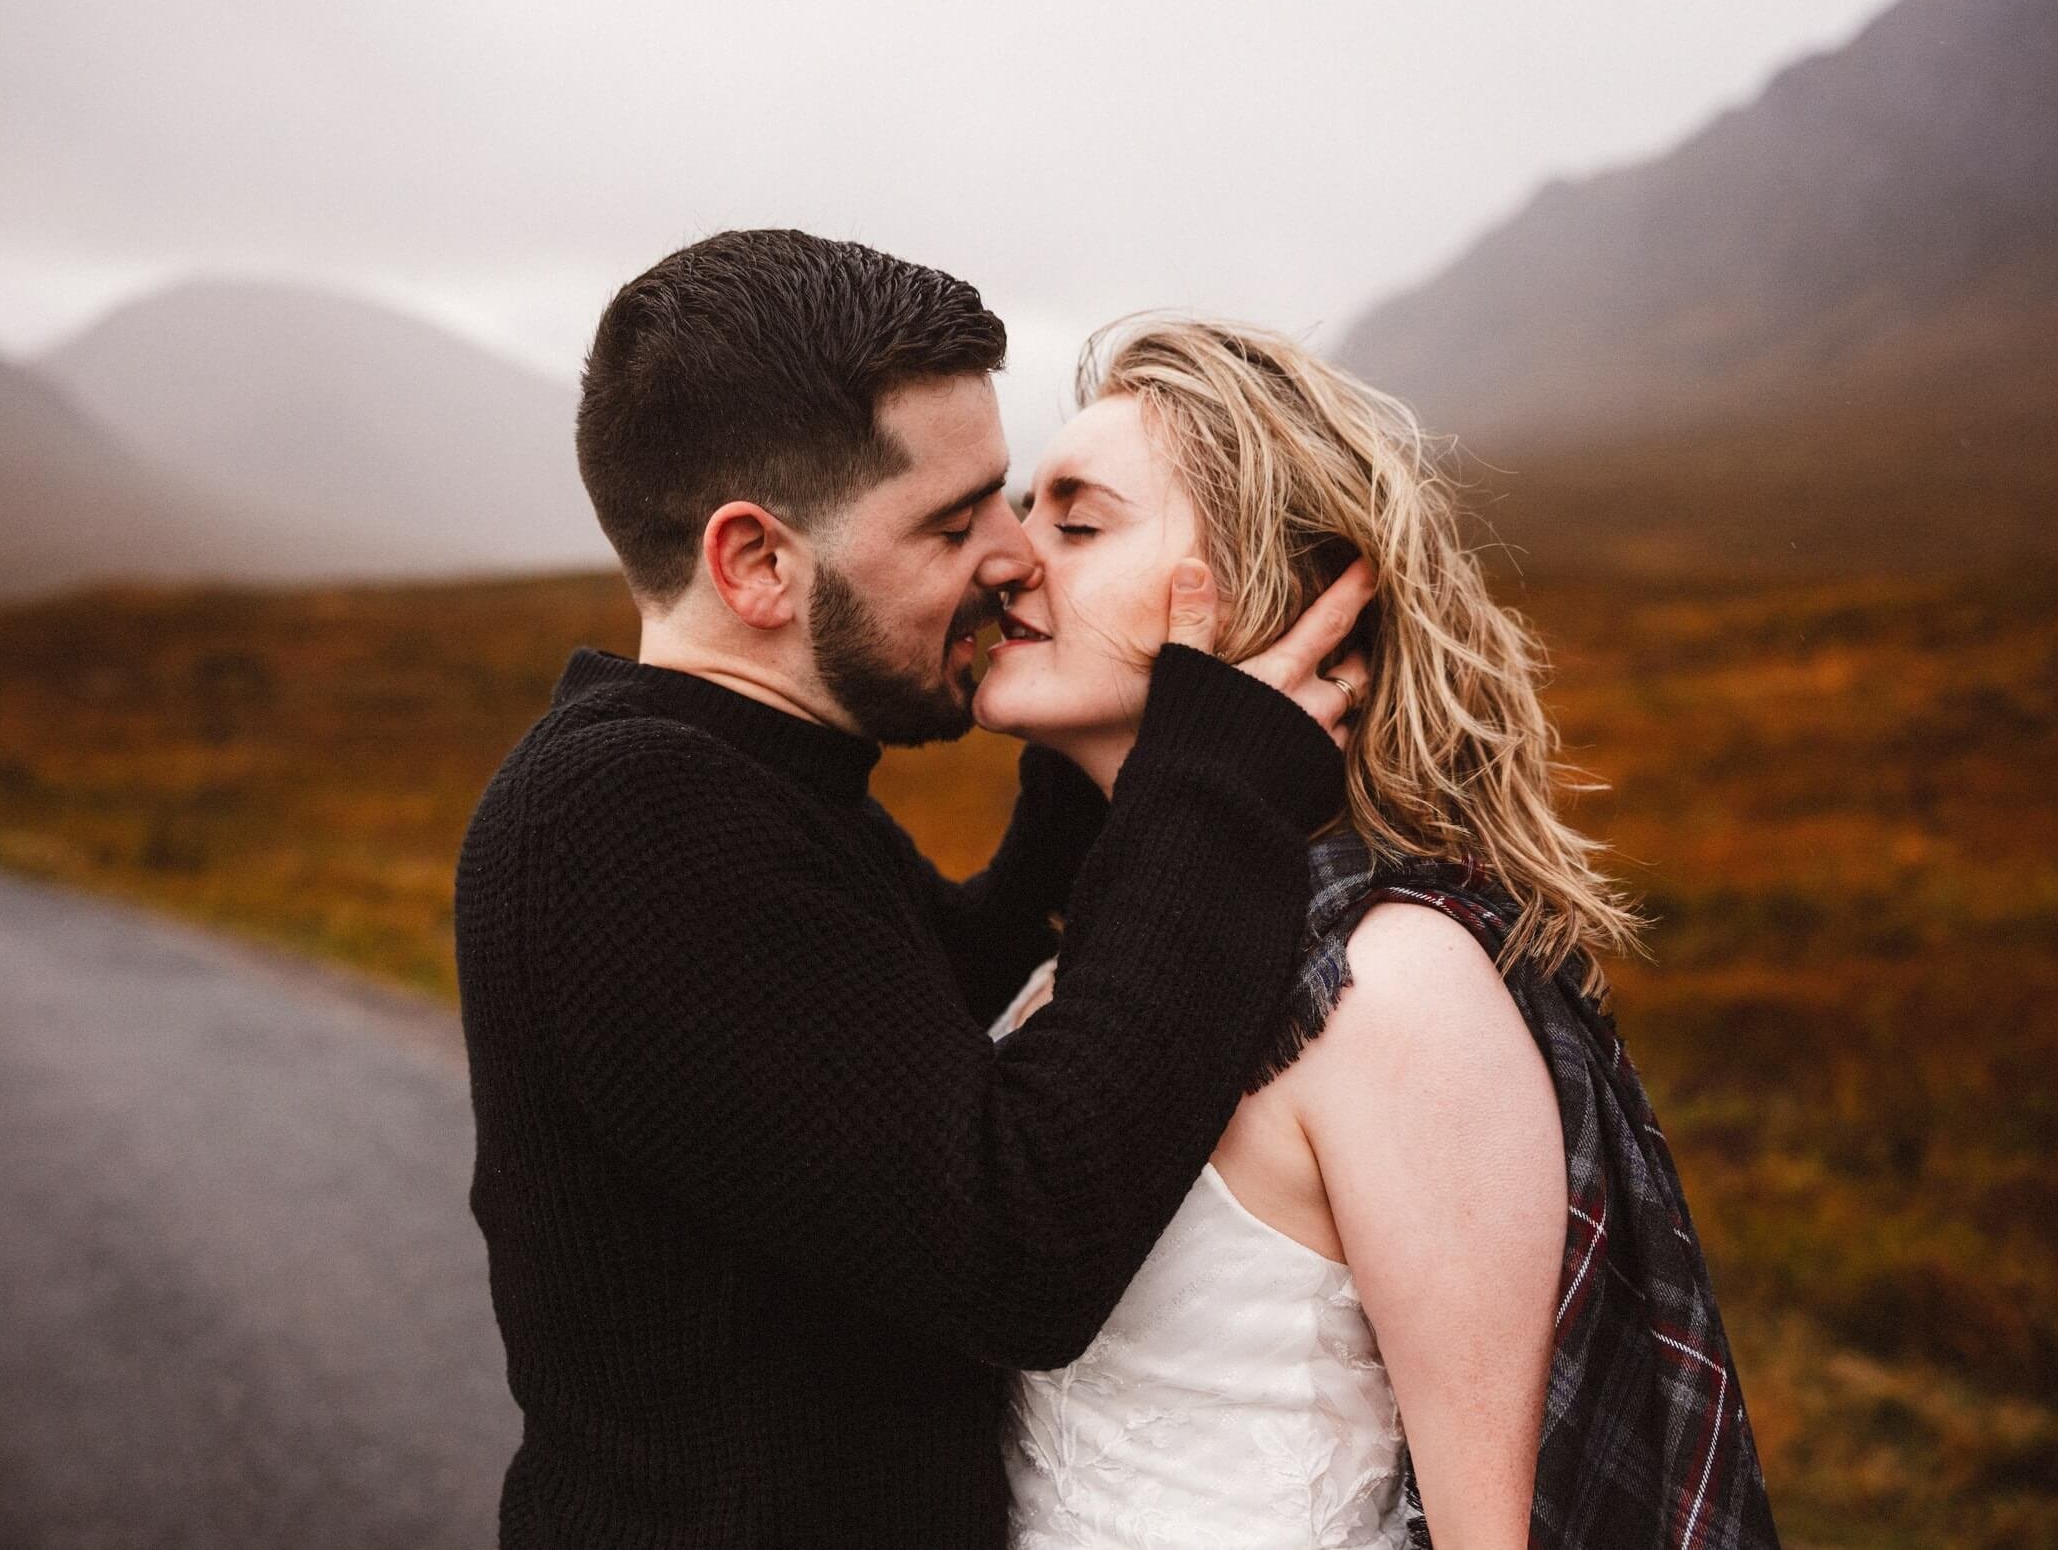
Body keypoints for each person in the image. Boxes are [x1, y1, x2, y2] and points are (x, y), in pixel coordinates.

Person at [451, 233, 1374, 1548]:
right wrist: (1210, 790)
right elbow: (1016, 1246)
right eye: (954, 521)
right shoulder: (631, 818)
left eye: (1007, 497)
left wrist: (1105, 740)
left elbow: (936, 1011)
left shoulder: (742, 783)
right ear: (757, 563)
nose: (1014, 556)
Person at [977, 316, 1780, 1549]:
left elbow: (1496, 1530)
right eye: (1023, 510)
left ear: (1279, 587)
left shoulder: (1389, 987)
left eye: (1077, 523)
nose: (1006, 559)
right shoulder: (1078, 951)